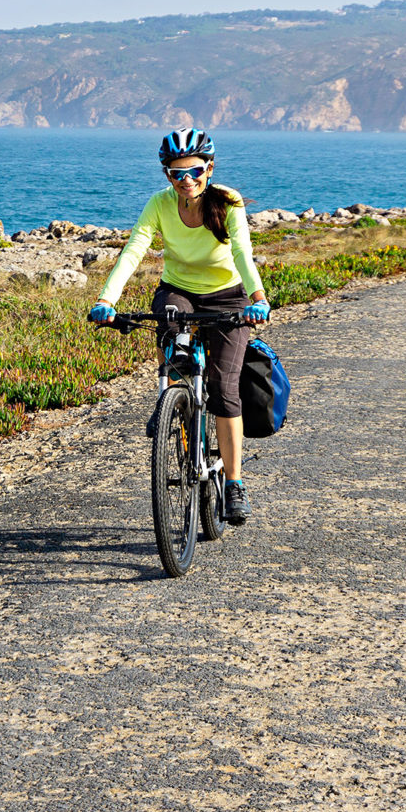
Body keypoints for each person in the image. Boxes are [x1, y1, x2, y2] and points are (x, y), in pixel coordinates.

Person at [87, 128, 270, 524]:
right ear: (166, 174)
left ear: (210, 167)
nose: (186, 179)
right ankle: (169, 397)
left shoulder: (228, 202)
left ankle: (235, 483)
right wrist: (107, 299)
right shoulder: (160, 204)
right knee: (170, 325)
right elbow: (135, 248)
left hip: (228, 296)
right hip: (180, 290)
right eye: (175, 173)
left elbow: (241, 251)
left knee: (223, 389)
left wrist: (257, 299)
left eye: (194, 170)